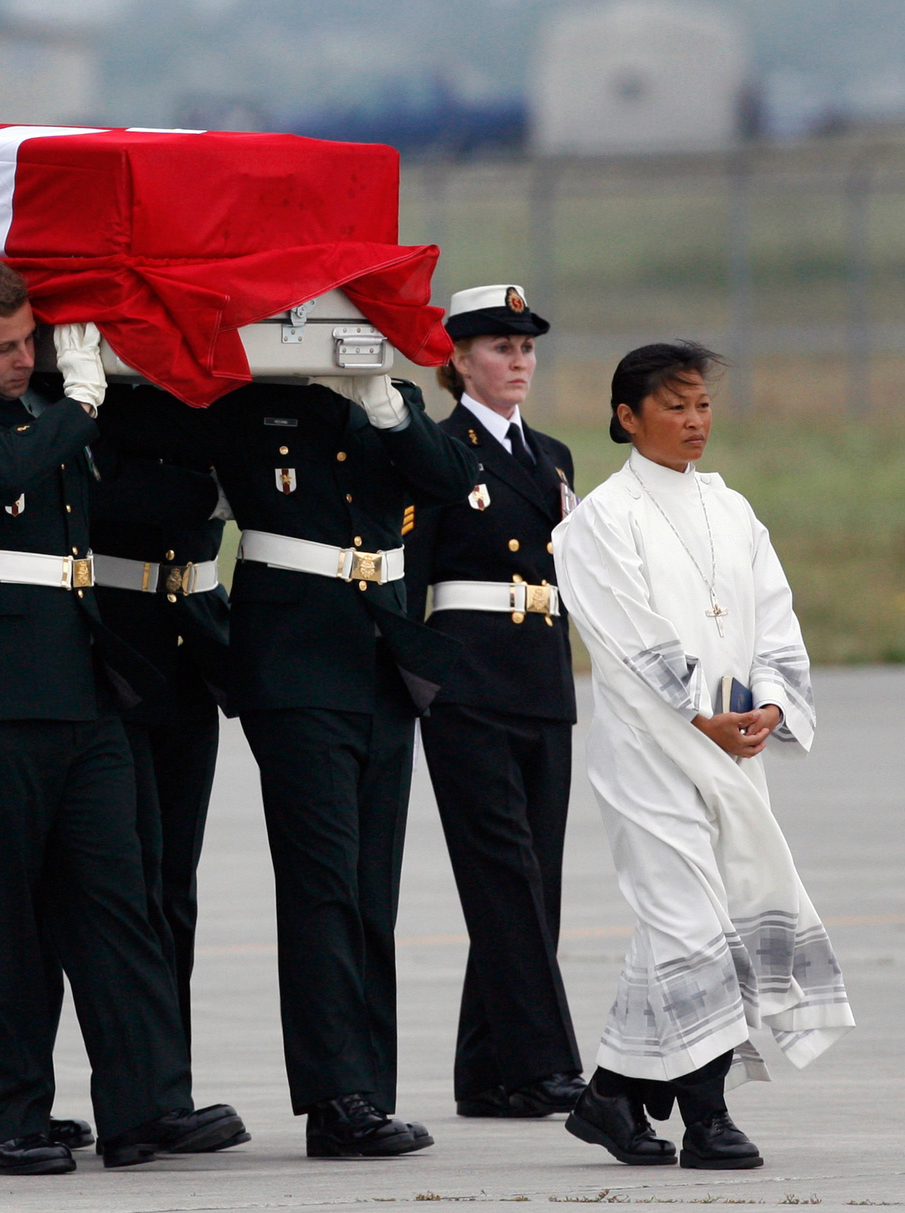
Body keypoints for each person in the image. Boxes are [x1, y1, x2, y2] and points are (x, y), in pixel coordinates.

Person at [0, 254, 245, 1175]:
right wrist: (79, 404)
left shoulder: (46, 416)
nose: (20, 359)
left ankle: (145, 1107)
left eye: (28, 342)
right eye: (0, 347)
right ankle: (5, 1119)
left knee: (116, 902)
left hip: (79, 688)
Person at [105, 363, 478, 1158]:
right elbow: (138, 430)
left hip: (379, 656)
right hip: (295, 662)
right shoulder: (247, 402)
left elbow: (452, 475)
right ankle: (333, 1095)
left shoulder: (388, 403)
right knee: (322, 884)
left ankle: (367, 1088)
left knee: (369, 885)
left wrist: (384, 403)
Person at [553, 341, 854, 1170]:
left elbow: (773, 616)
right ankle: (706, 1117)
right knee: (690, 924)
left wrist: (769, 702)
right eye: (675, 405)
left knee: (692, 921)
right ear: (626, 416)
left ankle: (609, 1096)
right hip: (650, 754)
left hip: (731, 750)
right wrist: (695, 715)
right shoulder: (598, 521)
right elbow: (627, 640)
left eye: (703, 406)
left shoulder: (732, 509)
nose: (694, 422)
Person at [403, 284, 585, 1119]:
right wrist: (420, 681)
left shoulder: (550, 456)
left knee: (534, 876)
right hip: (468, 681)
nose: (517, 360)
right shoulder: (436, 450)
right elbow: (413, 576)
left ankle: (486, 1071)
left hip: (540, 676)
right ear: (458, 360)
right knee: (502, 872)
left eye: (526, 347)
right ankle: (545, 1060)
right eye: (499, 347)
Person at [89, 416, 234, 1045]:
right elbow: (106, 487)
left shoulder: (208, 399)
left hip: (190, 654)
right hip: (117, 653)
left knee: (176, 883)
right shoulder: (96, 395)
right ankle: (148, 1083)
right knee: (134, 881)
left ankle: (169, 1078)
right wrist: (220, 489)